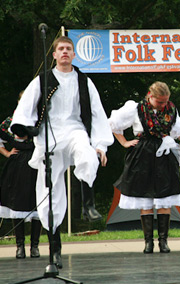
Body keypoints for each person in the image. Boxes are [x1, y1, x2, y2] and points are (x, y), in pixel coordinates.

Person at [10, 36, 114, 268]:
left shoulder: (84, 81)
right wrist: (23, 128)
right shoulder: (42, 80)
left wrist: (101, 144)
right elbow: (26, 105)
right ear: (54, 54)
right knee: (50, 191)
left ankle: (88, 205)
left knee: (87, 155)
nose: (65, 52)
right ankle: (55, 248)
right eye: (61, 49)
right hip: (50, 135)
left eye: (69, 49)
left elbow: (97, 113)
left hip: (75, 131)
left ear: (74, 54)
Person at [109, 81, 180, 254]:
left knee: (164, 195)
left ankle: (164, 242)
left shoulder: (171, 110)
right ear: (149, 96)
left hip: (164, 154)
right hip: (142, 154)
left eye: (165, 101)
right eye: (160, 102)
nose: (163, 105)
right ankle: (148, 243)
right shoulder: (135, 109)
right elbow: (114, 123)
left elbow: (179, 128)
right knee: (145, 197)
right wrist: (124, 142)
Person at [0, 91, 41, 259]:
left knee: (37, 201)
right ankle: (20, 247)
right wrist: (7, 153)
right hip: (16, 165)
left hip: (36, 164)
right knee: (17, 202)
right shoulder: (11, 121)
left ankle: (35, 246)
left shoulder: (39, 121)